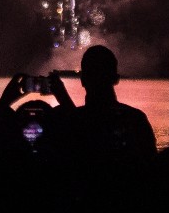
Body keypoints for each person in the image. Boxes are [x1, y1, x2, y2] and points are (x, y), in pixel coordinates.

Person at [48, 44, 158, 210]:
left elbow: (88, 143)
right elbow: (151, 171)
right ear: (116, 79)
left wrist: (64, 101)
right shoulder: (135, 119)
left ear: (83, 79)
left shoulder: (67, 121)